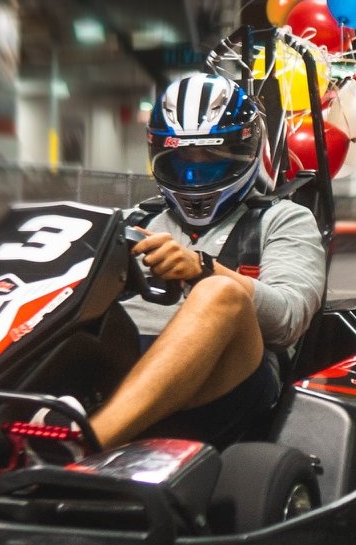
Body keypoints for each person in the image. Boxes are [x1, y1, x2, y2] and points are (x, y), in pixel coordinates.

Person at [28, 70, 327, 461]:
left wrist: (203, 269)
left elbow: (288, 319)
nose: (195, 171)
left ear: (245, 150)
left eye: (211, 157)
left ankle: (83, 444)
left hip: (231, 379)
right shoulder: (134, 218)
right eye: (183, 158)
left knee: (220, 294)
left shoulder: (283, 218)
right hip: (123, 361)